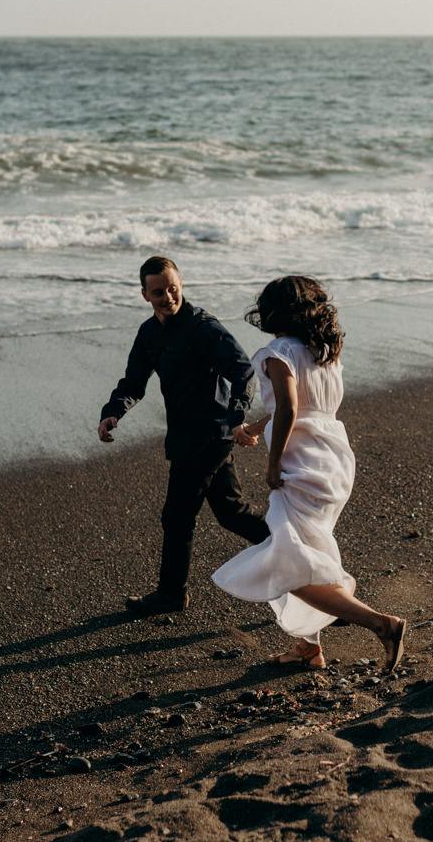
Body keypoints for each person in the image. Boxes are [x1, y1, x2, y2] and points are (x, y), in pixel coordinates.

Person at [212, 276, 406, 673]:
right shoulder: (322, 353)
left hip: (302, 464)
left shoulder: (275, 353)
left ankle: (381, 624)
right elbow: (304, 405)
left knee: (288, 563)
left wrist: (272, 461)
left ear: (271, 312)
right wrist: (255, 427)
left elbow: (289, 409)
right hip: (334, 459)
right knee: (302, 552)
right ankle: (308, 649)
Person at [98, 255, 270, 616]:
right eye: (158, 292)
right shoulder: (149, 334)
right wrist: (113, 411)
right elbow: (133, 382)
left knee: (177, 516)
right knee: (232, 514)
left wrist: (237, 417)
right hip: (183, 437)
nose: (168, 297)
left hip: (211, 436)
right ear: (144, 294)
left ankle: (172, 594)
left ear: (181, 286)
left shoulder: (204, 328)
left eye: (173, 289)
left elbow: (243, 373)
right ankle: (303, 561)